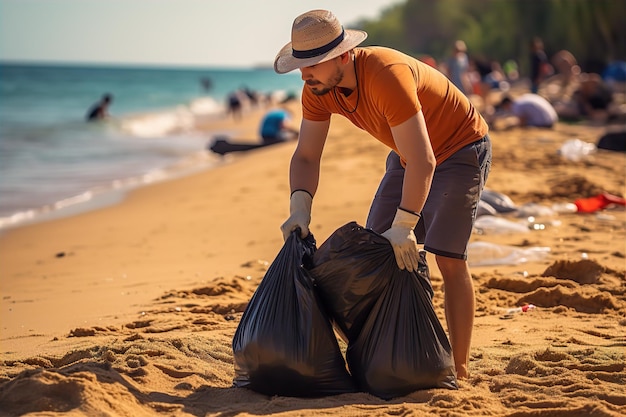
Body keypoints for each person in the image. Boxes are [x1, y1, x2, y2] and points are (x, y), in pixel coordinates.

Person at [274, 9, 491, 379]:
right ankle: (383, 351)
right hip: (409, 154)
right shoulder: (317, 89)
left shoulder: (386, 75)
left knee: (448, 258)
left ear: (343, 55)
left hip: (460, 148)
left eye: (314, 63)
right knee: (375, 250)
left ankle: (459, 366)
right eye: (301, 65)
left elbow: (426, 160)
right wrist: (300, 206)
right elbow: (307, 155)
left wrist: (406, 224)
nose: (305, 73)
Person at [492, 93, 558, 129]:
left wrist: (510, 125)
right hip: (553, 118)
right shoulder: (521, 100)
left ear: (507, 104)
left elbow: (522, 122)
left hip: (546, 122)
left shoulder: (516, 107)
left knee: (527, 125)